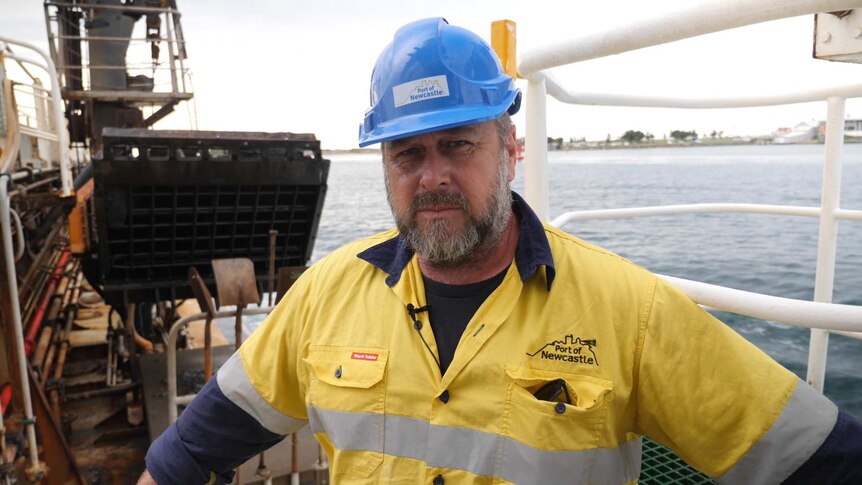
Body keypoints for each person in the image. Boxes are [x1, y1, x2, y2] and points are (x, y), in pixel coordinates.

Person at [139, 17, 862, 485]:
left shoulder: (627, 311)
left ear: (510, 148)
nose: (433, 176)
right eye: (408, 153)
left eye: (458, 144)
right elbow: (192, 447)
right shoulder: (325, 298)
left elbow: (818, 457)